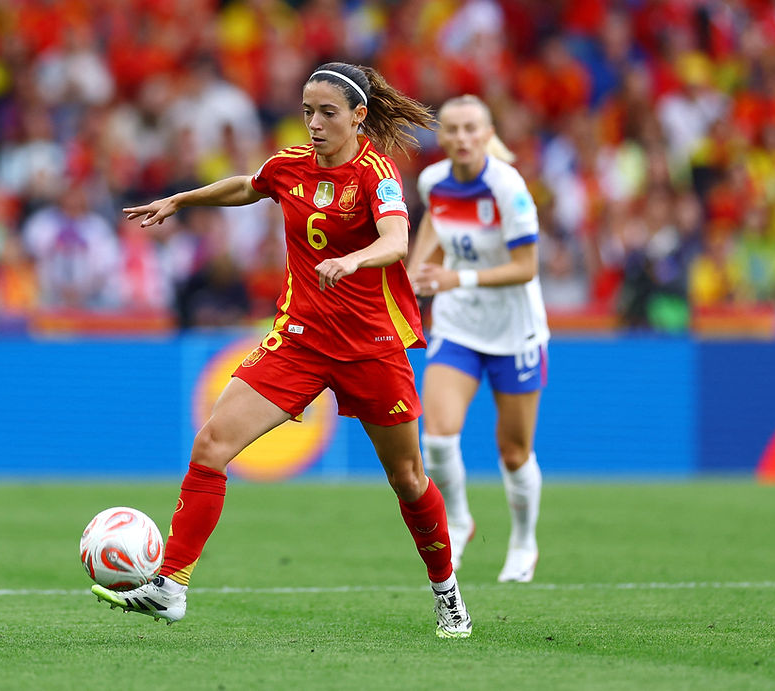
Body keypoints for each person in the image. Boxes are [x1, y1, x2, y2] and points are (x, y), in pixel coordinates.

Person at [91, 63, 472, 638]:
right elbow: (249, 186)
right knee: (212, 444)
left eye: (327, 113)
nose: (314, 123)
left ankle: (448, 595)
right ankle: (171, 586)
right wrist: (182, 200)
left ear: (358, 117)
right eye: (307, 111)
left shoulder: (377, 173)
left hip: (372, 346)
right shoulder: (291, 164)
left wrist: (354, 259)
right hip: (301, 338)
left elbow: (397, 240)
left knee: (408, 478)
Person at [406, 94, 549, 582]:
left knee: (514, 451)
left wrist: (456, 278)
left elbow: (526, 267)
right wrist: (416, 272)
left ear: (488, 134)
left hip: (514, 332)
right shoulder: (433, 181)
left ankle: (524, 541)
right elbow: (436, 220)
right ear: (441, 137)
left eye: (472, 128)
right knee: (438, 437)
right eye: (452, 129)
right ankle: (460, 521)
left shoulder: (508, 188)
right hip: (459, 325)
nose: (462, 137)